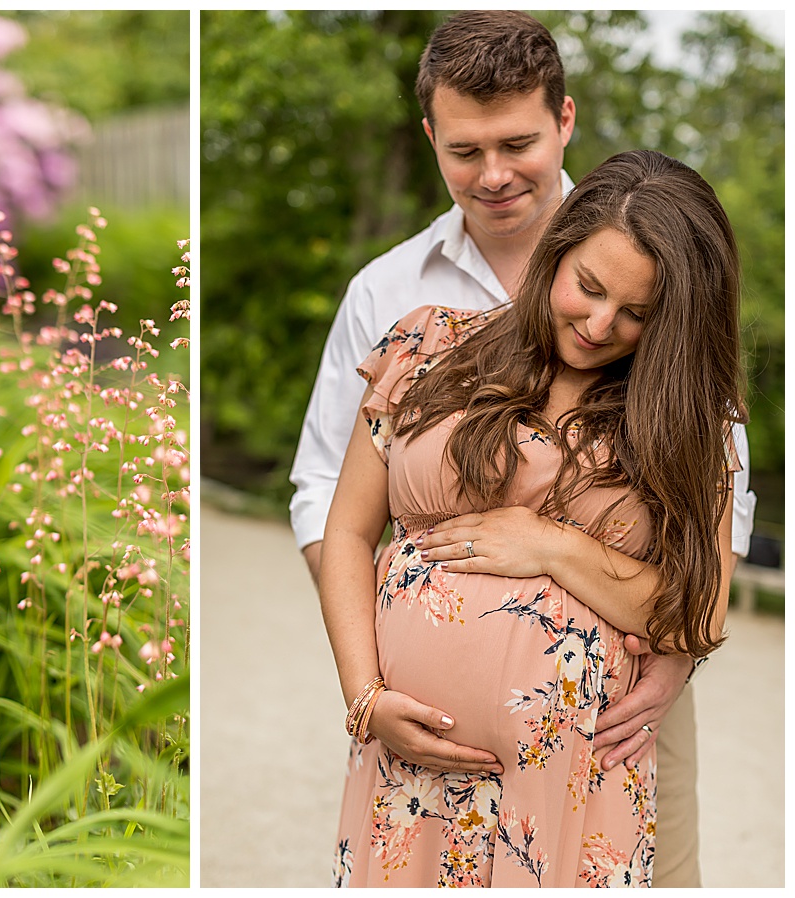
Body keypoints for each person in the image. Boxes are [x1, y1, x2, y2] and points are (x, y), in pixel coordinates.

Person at [288, 10, 755, 887]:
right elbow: (329, 500)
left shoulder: (668, 348)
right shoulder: (398, 305)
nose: (494, 174)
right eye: (466, 151)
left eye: (518, 143)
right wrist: (364, 690)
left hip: (603, 743)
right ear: (430, 138)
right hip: (411, 756)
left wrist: (555, 549)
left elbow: (706, 578)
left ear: (564, 119)